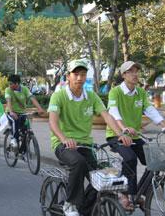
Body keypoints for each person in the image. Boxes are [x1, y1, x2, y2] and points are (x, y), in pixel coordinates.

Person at [48, 59, 131, 216]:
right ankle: (70, 203)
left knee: (102, 176)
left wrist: (120, 134)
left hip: (86, 145)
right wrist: (64, 138)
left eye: (83, 74)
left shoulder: (91, 96)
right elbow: (52, 122)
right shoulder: (58, 96)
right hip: (63, 145)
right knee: (78, 163)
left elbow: (106, 115)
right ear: (68, 76)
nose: (79, 78)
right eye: (76, 74)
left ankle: (84, 210)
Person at [106, 61, 165, 210]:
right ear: (123, 75)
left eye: (136, 71)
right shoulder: (116, 92)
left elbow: (150, 110)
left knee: (155, 161)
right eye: (130, 71)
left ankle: (140, 194)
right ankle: (124, 195)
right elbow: (113, 111)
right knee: (130, 158)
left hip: (135, 136)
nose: (135, 74)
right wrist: (123, 129)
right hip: (116, 135)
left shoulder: (140, 92)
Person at [5, 74, 46, 151]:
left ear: (17, 83)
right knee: (15, 121)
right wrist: (11, 112)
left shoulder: (24, 89)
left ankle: (22, 150)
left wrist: (40, 109)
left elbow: (32, 98)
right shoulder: (8, 90)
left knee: (26, 131)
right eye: (9, 83)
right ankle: (14, 140)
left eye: (11, 83)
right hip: (11, 112)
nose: (9, 85)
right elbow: (8, 101)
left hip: (22, 113)